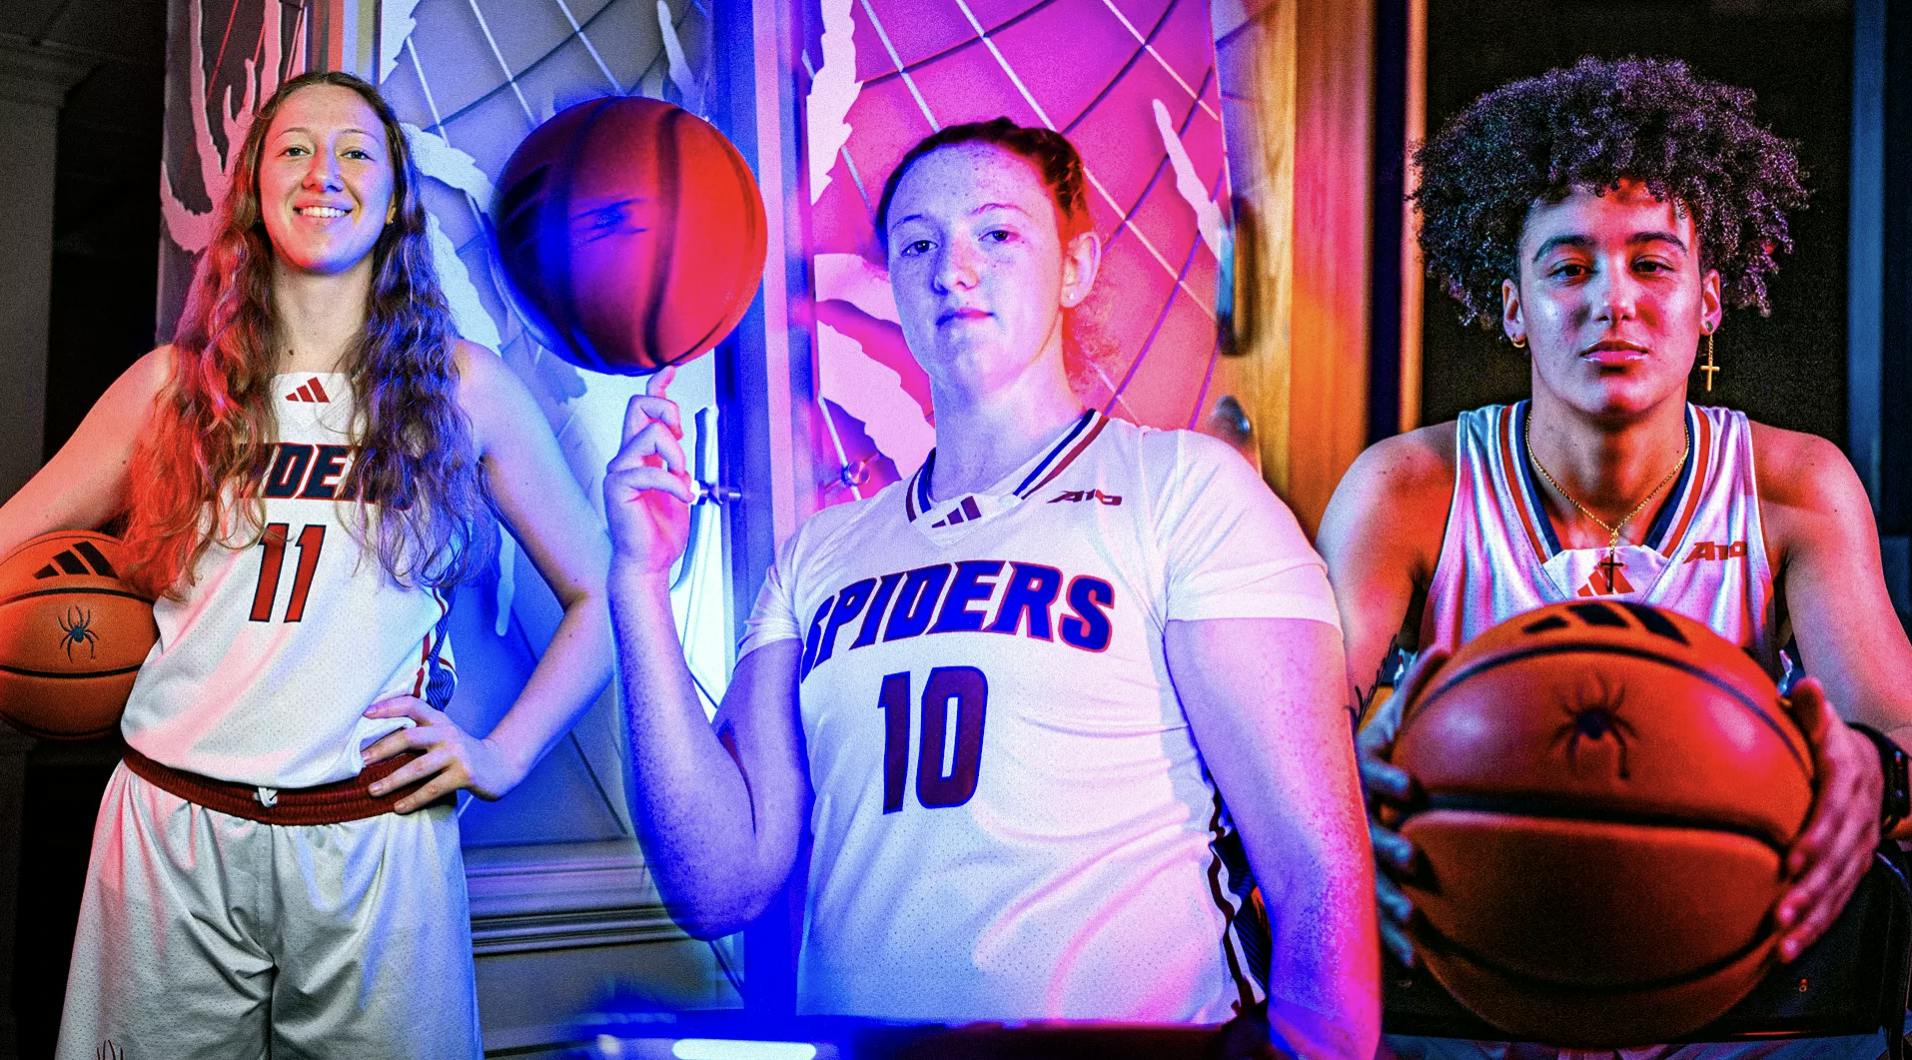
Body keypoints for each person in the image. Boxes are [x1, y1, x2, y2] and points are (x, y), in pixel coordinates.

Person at [607, 118, 1380, 1053]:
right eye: (918, 243)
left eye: (998, 233)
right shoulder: (819, 554)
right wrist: (638, 584)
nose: (952, 269)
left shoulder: (1183, 491)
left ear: (1075, 268)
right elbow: (717, 883)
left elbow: (1317, 872)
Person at [0, 72, 612, 1058]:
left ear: (396, 196)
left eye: (355, 151)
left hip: (374, 836)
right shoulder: (167, 389)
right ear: (252, 189)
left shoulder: (467, 389)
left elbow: (601, 600)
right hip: (174, 830)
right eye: (293, 148)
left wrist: (500, 753)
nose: (322, 171)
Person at [1317, 57, 1912, 1056]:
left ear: (1708, 300)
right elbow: (1292, 727)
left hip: (1725, 1005)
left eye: (1650, 263)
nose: (1612, 302)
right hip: (1476, 995)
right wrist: (1340, 782)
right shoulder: (1408, 489)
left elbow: (1891, 728)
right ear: (1512, 306)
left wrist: (1869, 767)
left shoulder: (1793, 486)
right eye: (1566, 267)